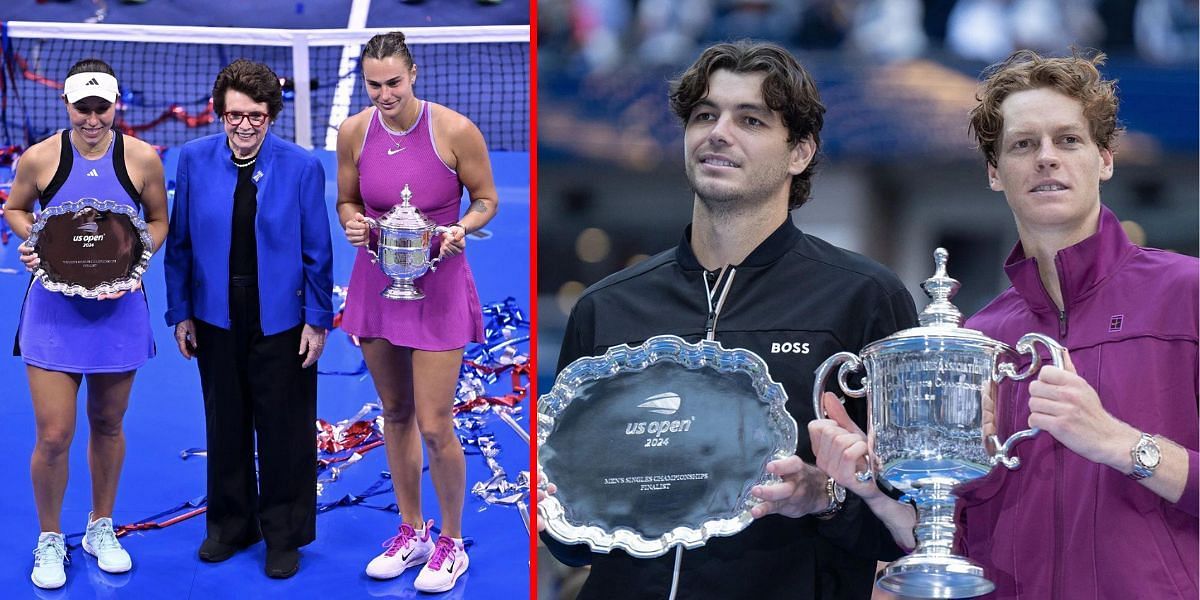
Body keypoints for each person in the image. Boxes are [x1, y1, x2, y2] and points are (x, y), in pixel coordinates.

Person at [810, 49, 1198, 599]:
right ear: (995, 172)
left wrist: (1121, 443)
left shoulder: (1187, 294)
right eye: (1023, 144)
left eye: (1068, 140)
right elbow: (960, 543)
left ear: (1105, 158)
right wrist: (873, 489)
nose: (1046, 158)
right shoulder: (981, 341)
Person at [538, 40, 919, 599]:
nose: (718, 132)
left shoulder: (863, 298)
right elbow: (571, 536)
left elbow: (909, 523)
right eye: (704, 115)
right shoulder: (607, 307)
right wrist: (559, 503)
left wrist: (823, 496)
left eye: (751, 119)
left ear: (800, 153)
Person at [335, 31, 498, 593]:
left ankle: (452, 542)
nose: (384, 94)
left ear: (414, 75)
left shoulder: (455, 131)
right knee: (395, 414)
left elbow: (486, 199)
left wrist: (461, 228)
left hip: (441, 288)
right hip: (376, 286)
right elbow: (348, 200)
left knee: (434, 422)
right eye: (374, 84)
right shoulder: (354, 132)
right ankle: (412, 532)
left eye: (394, 83)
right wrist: (353, 223)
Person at [163, 59, 333, 579]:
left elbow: (317, 252)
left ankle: (284, 534)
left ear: (271, 116)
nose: (243, 125)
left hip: (281, 319)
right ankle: (231, 526)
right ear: (220, 114)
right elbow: (181, 245)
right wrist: (181, 312)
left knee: (285, 429)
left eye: (255, 116)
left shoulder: (302, 167)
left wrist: (317, 318)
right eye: (234, 115)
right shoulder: (192, 160)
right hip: (215, 317)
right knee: (226, 422)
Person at [4, 58, 168, 590]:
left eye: (102, 107)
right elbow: (14, 209)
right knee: (54, 434)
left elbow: (158, 220)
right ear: (67, 104)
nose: (92, 118)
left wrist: (137, 263)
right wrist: (35, 243)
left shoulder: (142, 158)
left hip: (120, 309)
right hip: (54, 314)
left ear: (115, 104)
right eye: (83, 107)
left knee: (108, 424)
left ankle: (101, 526)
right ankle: (50, 537)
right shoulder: (40, 158)